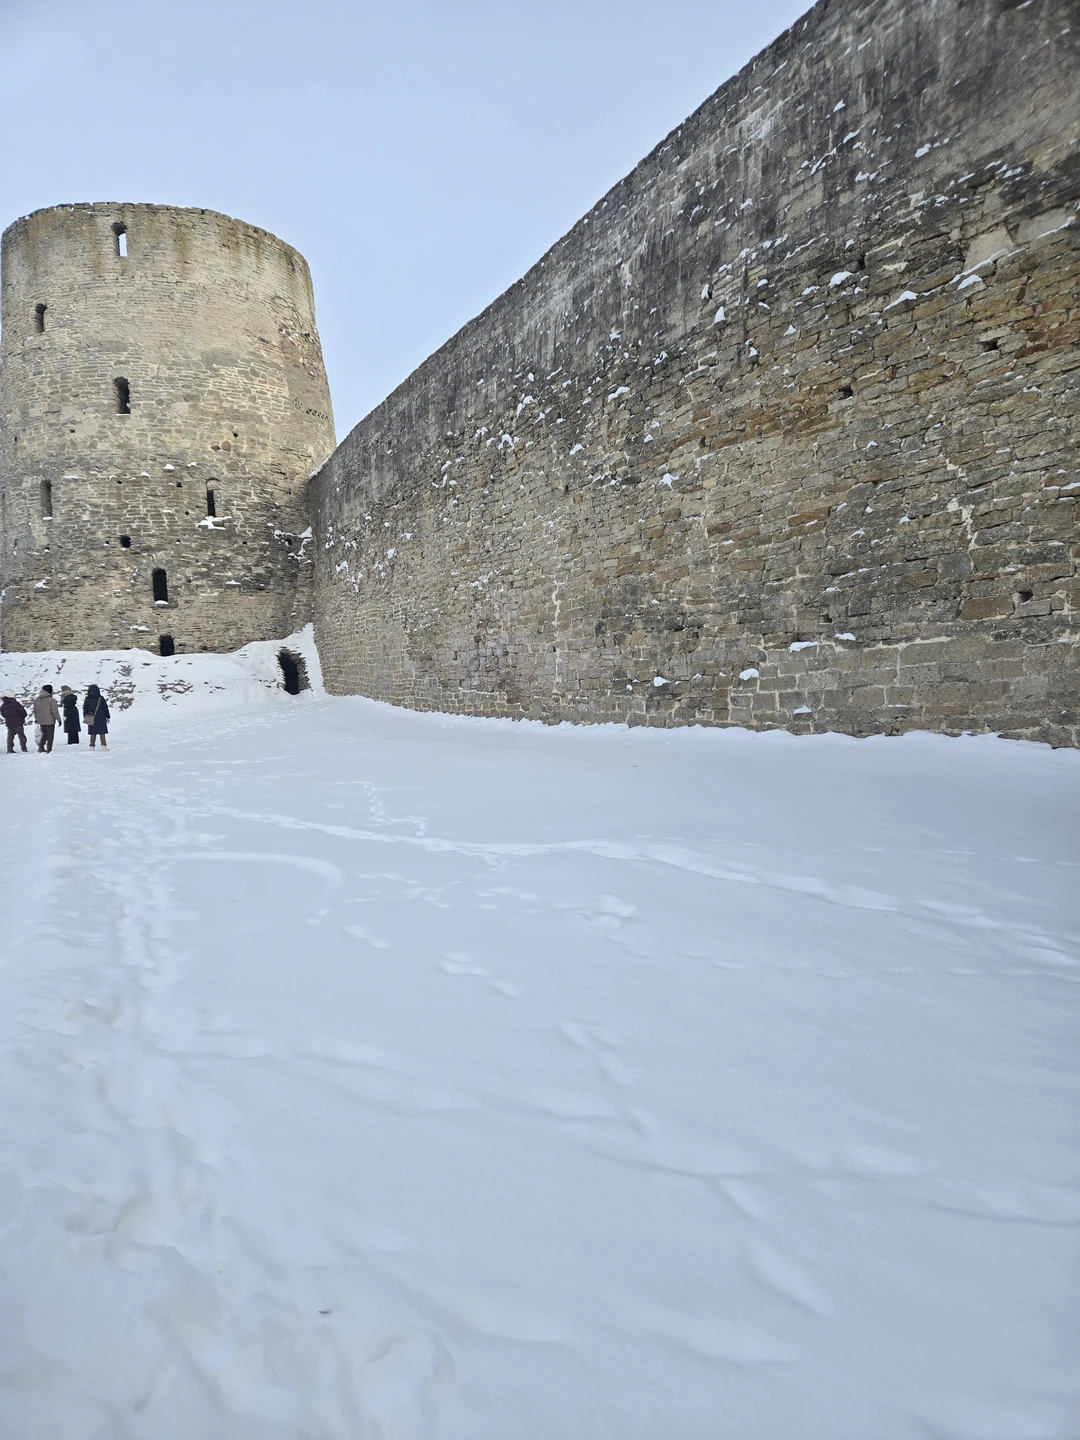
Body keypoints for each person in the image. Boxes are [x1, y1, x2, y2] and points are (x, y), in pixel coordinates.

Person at [32, 685, 60, 752]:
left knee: (44, 734)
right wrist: (59, 719)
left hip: (41, 721)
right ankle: (49, 749)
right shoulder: (51, 700)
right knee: (50, 736)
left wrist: (36, 719)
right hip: (50, 721)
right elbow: (54, 711)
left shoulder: (36, 700)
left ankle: (41, 747)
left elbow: (35, 711)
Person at [83, 684, 111, 749]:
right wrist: (108, 716)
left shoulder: (87, 699)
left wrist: (85, 717)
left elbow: (85, 709)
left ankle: (92, 746)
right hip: (101, 717)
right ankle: (104, 745)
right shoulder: (100, 698)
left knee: (92, 732)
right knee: (102, 732)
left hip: (91, 717)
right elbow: (105, 708)